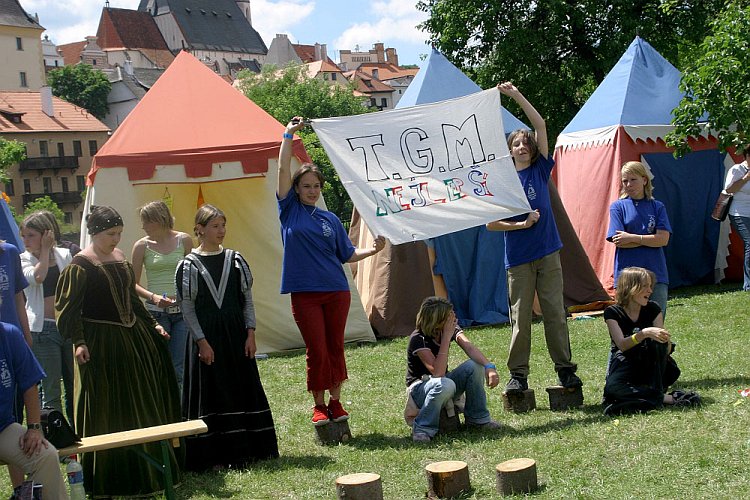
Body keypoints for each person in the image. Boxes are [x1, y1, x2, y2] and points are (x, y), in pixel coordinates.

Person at [55, 206, 183, 497]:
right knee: (107, 410)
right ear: (96, 232)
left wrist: (152, 325)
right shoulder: (80, 265)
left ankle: (150, 472)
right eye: (111, 234)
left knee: (141, 403)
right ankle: (110, 478)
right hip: (100, 344)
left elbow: (132, 300)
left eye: (119, 233)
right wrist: (79, 341)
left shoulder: (120, 257)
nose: (116, 239)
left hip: (132, 340)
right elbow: (68, 311)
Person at [278, 117, 386, 425]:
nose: (312, 191)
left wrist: (374, 250)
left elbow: (348, 255)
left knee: (335, 346)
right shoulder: (289, 211)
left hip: (336, 291)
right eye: (306, 186)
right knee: (317, 349)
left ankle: (336, 402)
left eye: (316, 187)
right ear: (296, 189)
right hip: (305, 294)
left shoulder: (330, 220)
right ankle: (318, 404)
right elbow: (282, 169)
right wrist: (288, 135)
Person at [487, 82, 582, 394]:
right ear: (510, 150)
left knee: (555, 314)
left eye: (526, 142)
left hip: (547, 253)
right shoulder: (503, 180)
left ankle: (565, 370)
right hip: (517, 260)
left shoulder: (541, 170)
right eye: (516, 143)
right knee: (520, 320)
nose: (522, 146)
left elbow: (540, 124)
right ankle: (519, 376)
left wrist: (515, 96)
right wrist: (521, 225)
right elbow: (492, 225)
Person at [176, 204, 278, 470]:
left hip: (235, 335)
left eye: (223, 225)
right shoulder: (188, 265)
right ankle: (213, 457)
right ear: (199, 230)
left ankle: (249, 450)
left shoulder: (235, 259)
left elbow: (247, 300)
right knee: (211, 391)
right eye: (215, 226)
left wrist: (251, 332)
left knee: (240, 387)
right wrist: (201, 341)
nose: (221, 231)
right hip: (207, 337)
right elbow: (187, 307)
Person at [603, 267, 699, 415]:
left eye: (650, 286)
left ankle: (633, 401)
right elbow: (622, 345)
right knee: (613, 388)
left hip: (653, 365)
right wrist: (644, 333)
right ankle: (668, 399)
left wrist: (665, 341)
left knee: (657, 342)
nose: (650, 290)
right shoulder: (613, 312)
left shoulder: (653, 308)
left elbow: (664, 350)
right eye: (645, 286)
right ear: (631, 288)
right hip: (626, 361)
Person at [406, 296, 501, 442]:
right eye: (449, 316)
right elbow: (438, 373)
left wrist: (489, 366)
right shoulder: (418, 338)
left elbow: (468, 346)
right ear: (437, 321)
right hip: (421, 389)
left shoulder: (449, 329)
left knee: (474, 366)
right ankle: (422, 429)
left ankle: (478, 420)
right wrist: (445, 339)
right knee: (445, 384)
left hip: (443, 384)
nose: (454, 317)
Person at [0, 319, 68, 500]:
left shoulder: (9, 334)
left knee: (45, 456)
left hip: (3, 427)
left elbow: (30, 382)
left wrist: (34, 428)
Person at [132, 201, 193, 392]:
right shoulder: (141, 246)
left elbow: (193, 273)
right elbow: (132, 283)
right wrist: (154, 297)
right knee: (159, 364)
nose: (143, 226)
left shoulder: (184, 240)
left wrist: (185, 295)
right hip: (156, 313)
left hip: (182, 312)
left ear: (158, 220)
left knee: (178, 366)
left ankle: (181, 414)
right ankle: (165, 411)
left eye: (146, 221)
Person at [20, 211, 75, 426]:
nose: (25, 241)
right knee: (51, 389)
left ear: (46, 234)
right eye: (23, 235)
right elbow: (37, 277)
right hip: (43, 331)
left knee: (73, 387)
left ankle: (77, 438)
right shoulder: (23, 258)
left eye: (30, 235)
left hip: (66, 327)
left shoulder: (64, 254)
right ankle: (57, 444)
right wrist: (43, 250)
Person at [607, 161, 672, 314]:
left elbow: (663, 240)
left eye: (633, 179)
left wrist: (632, 237)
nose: (628, 184)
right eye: (625, 181)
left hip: (655, 273)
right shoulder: (618, 207)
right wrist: (650, 240)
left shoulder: (657, 206)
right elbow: (620, 242)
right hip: (627, 275)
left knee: (656, 322)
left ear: (644, 180)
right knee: (627, 322)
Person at [0, 238, 32, 491]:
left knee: (14, 417)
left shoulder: (8, 252)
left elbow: (18, 299)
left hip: (11, 343)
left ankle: (20, 489)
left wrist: (27, 337)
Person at [723, 147, 750, 291]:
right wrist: (746, 177)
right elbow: (729, 190)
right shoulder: (736, 169)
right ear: (746, 156)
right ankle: (749, 285)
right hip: (739, 213)